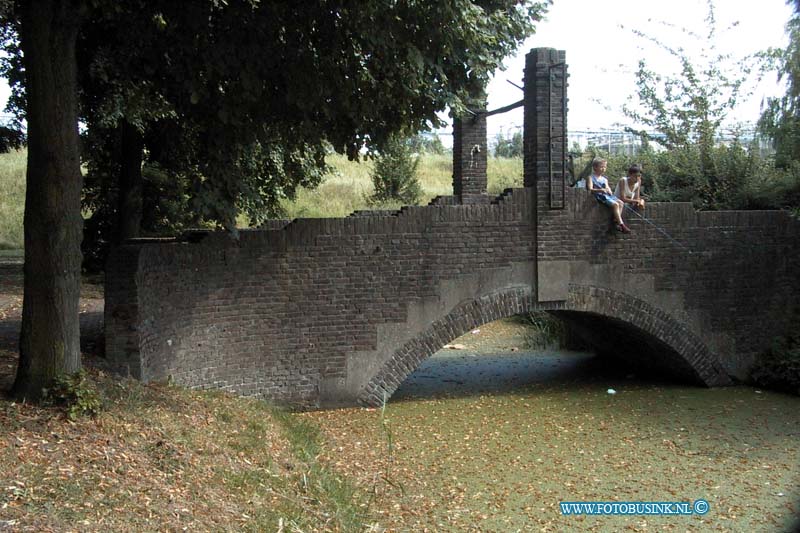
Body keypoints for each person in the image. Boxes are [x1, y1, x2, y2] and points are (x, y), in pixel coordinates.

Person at [587, 158, 630, 233]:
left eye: (605, 167)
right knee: (616, 204)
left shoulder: (604, 179)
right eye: (601, 167)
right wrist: (601, 190)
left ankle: (615, 221)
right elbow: (590, 189)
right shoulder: (590, 177)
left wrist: (609, 190)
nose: (603, 169)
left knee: (621, 203)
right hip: (600, 196)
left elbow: (607, 187)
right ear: (595, 167)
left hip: (607, 195)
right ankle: (622, 225)